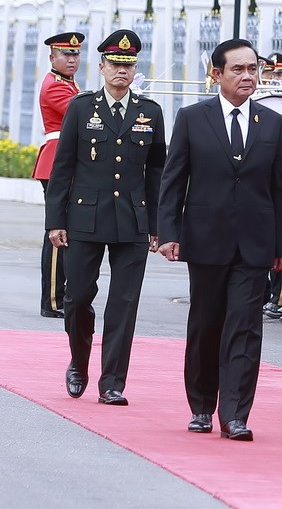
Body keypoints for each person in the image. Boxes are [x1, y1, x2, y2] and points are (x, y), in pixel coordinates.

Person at [157, 38, 282, 442]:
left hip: (255, 243)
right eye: (238, 69)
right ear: (217, 74)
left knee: (245, 326)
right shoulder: (192, 118)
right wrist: (168, 233)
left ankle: (235, 413)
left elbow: (279, 189)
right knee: (206, 323)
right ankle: (201, 405)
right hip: (205, 239)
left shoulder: (271, 122)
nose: (248, 76)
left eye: (253, 68)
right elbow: (173, 179)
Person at [45, 29, 165, 405]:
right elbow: (63, 167)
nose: (121, 72)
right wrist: (55, 221)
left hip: (132, 219)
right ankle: (79, 361)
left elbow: (158, 173)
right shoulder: (82, 107)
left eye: (128, 66)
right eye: (114, 64)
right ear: (101, 67)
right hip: (85, 217)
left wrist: (158, 226)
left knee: (124, 303)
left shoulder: (150, 111)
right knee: (78, 297)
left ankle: (112, 381)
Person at [33, 30, 85, 318]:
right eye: (66, 54)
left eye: (75, 54)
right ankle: (52, 300)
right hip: (56, 161)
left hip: (64, 161)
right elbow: (82, 114)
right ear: (52, 57)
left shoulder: (68, 84)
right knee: (57, 230)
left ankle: (58, 296)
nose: (72, 59)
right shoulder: (55, 86)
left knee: (64, 230)